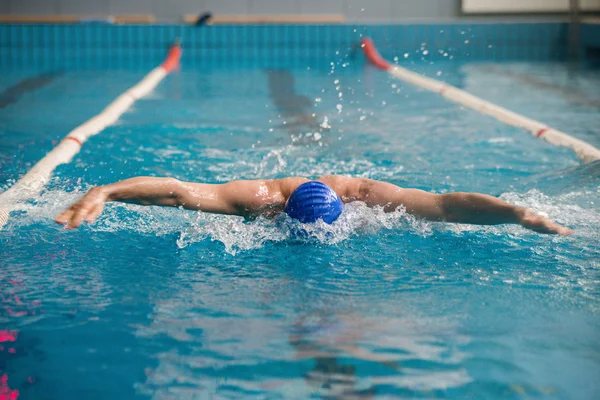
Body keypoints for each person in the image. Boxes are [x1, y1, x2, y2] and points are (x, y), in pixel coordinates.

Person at [55, 175, 572, 235]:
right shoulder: (257, 200)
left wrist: (516, 213)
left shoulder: (369, 197)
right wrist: (105, 192)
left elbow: (446, 203)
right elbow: (177, 191)